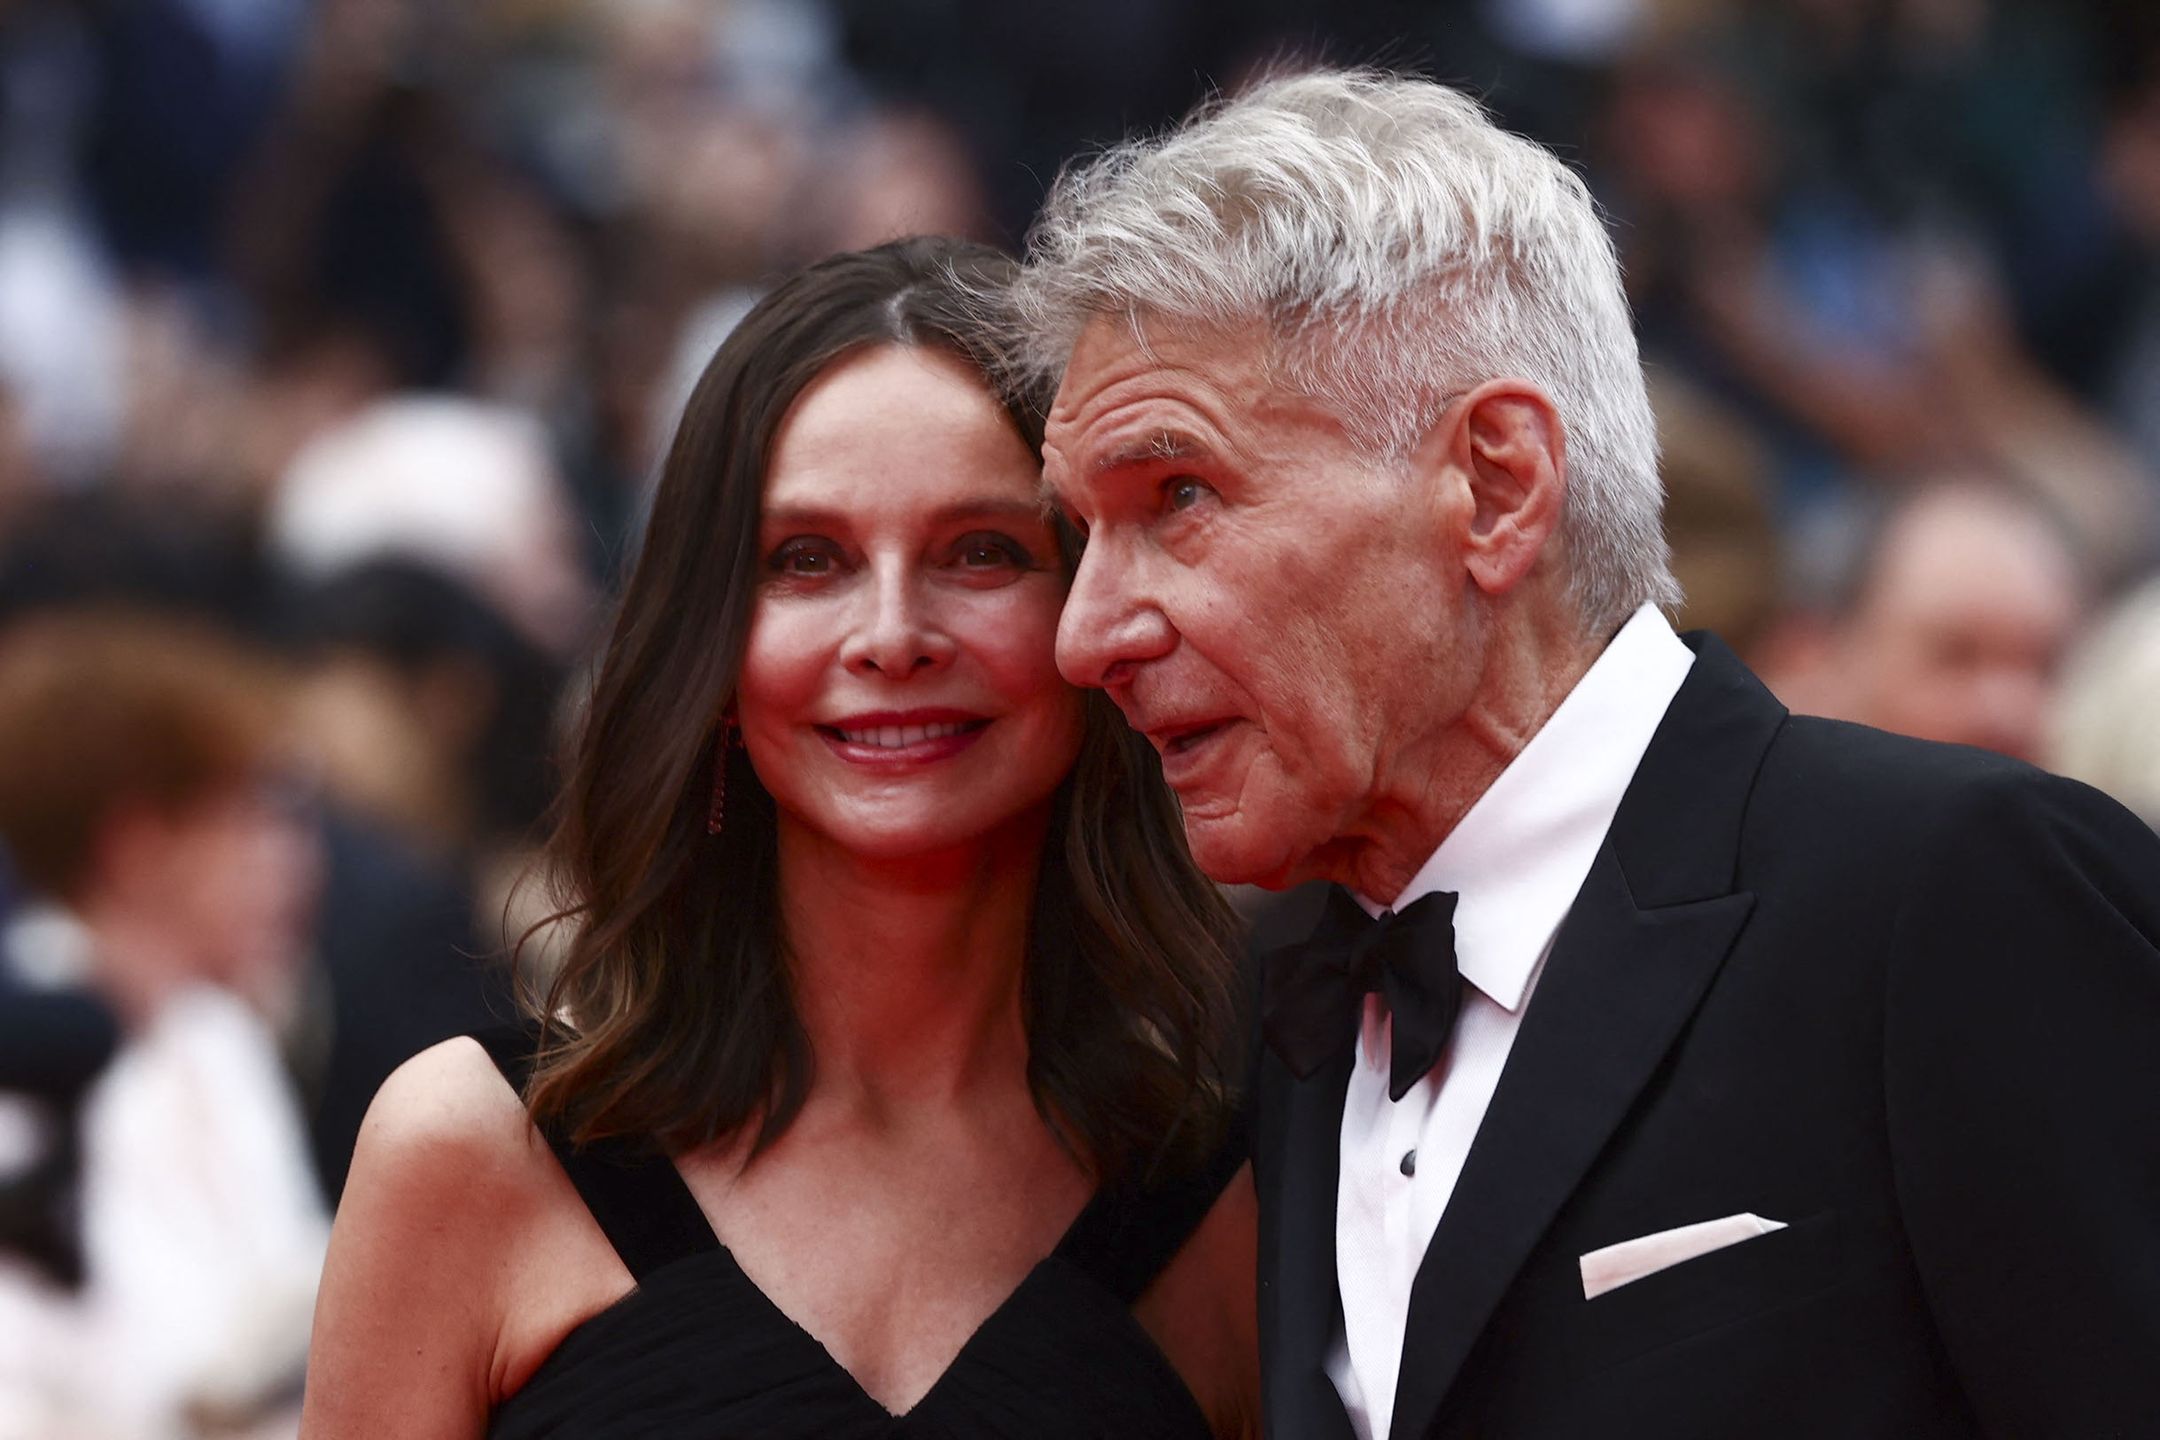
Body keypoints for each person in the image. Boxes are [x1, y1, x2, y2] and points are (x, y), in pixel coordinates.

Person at [1016, 69, 2160, 1440]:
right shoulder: (1280, 996)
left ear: (1497, 487)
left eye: (1179, 495)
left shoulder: (1957, 894)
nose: (1085, 636)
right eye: (1083, 534)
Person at [300, 237, 1258, 1440]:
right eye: (807, 561)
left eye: (982, 551)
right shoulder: (467, 1149)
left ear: (1094, 611)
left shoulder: (1226, 1204)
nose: (893, 635)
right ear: (711, 650)